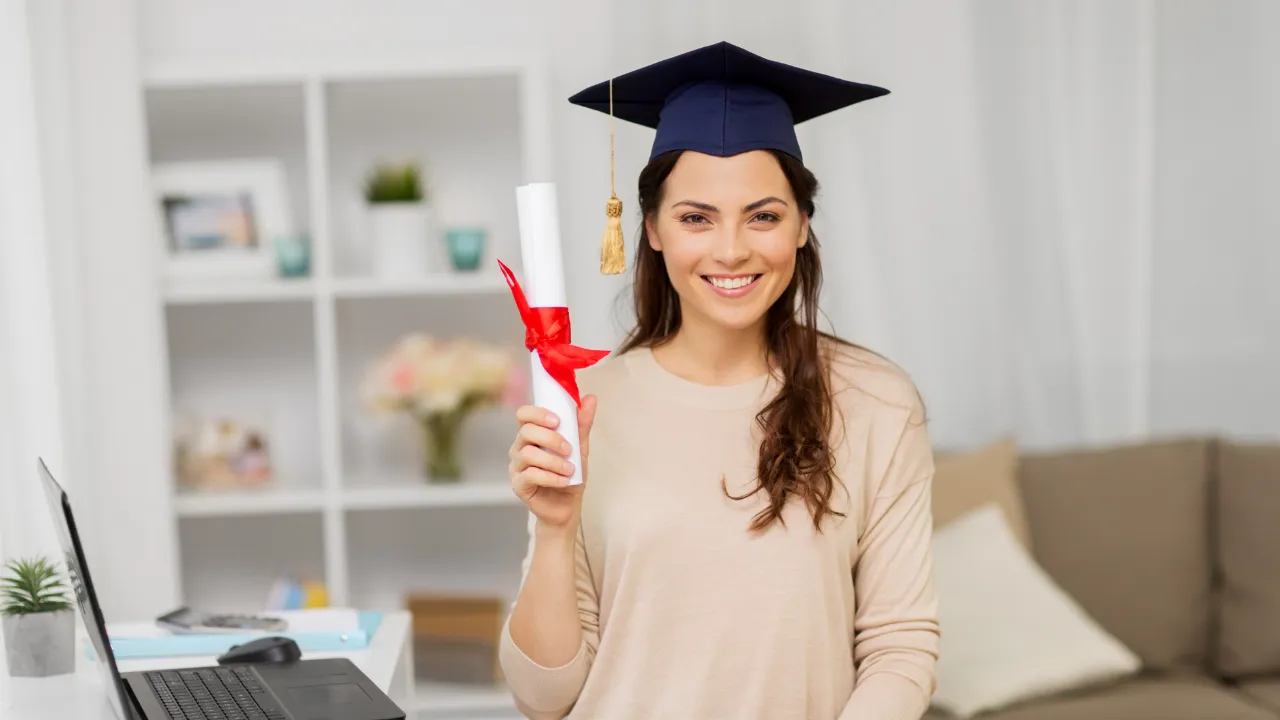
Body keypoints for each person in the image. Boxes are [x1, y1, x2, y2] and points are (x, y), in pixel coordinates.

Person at [500, 41, 940, 720]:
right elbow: (543, 697)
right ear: (650, 229)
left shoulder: (877, 403)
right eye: (695, 218)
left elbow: (899, 647)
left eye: (763, 215)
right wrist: (556, 530)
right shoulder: (585, 407)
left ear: (801, 225)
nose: (731, 249)